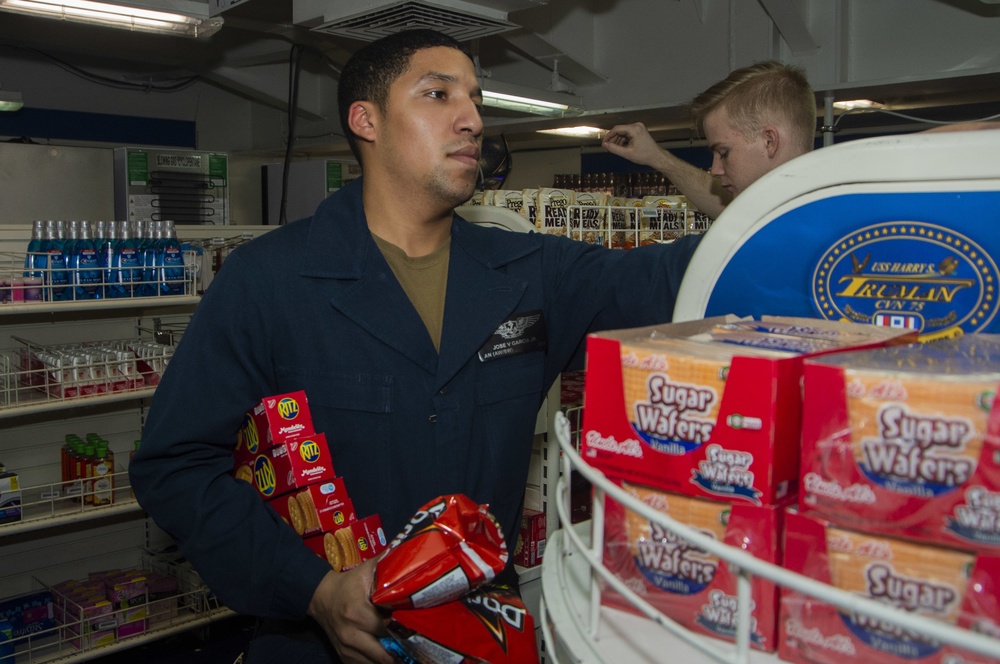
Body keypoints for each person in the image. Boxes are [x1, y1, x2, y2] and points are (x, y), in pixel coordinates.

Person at [129, 29, 700, 664]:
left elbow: (676, 280)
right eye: (437, 94)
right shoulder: (268, 281)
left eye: (476, 100)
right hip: (319, 647)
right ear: (365, 120)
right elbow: (174, 465)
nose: (472, 120)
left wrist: (797, 191)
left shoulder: (533, 274)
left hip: (485, 636)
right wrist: (315, 590)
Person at [602, 60, 817, 219]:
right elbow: (723, 204)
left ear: (769, 141)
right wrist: (657, 158)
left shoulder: (815, 229)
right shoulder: (782, 214)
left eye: (724, 153)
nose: (714, 170)